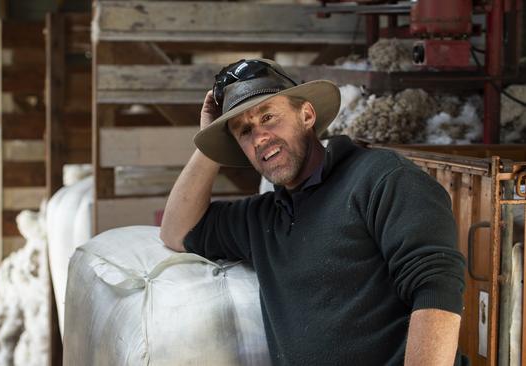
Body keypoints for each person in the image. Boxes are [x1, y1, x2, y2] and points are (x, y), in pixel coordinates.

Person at [160, 58, 466, 365]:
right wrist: (207, 146)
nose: (260, 137)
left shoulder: (380, 178)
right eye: (244, 131)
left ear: (306, 115)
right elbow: (176, 230)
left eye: (268, 117)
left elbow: (435, 287)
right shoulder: (262, 220)